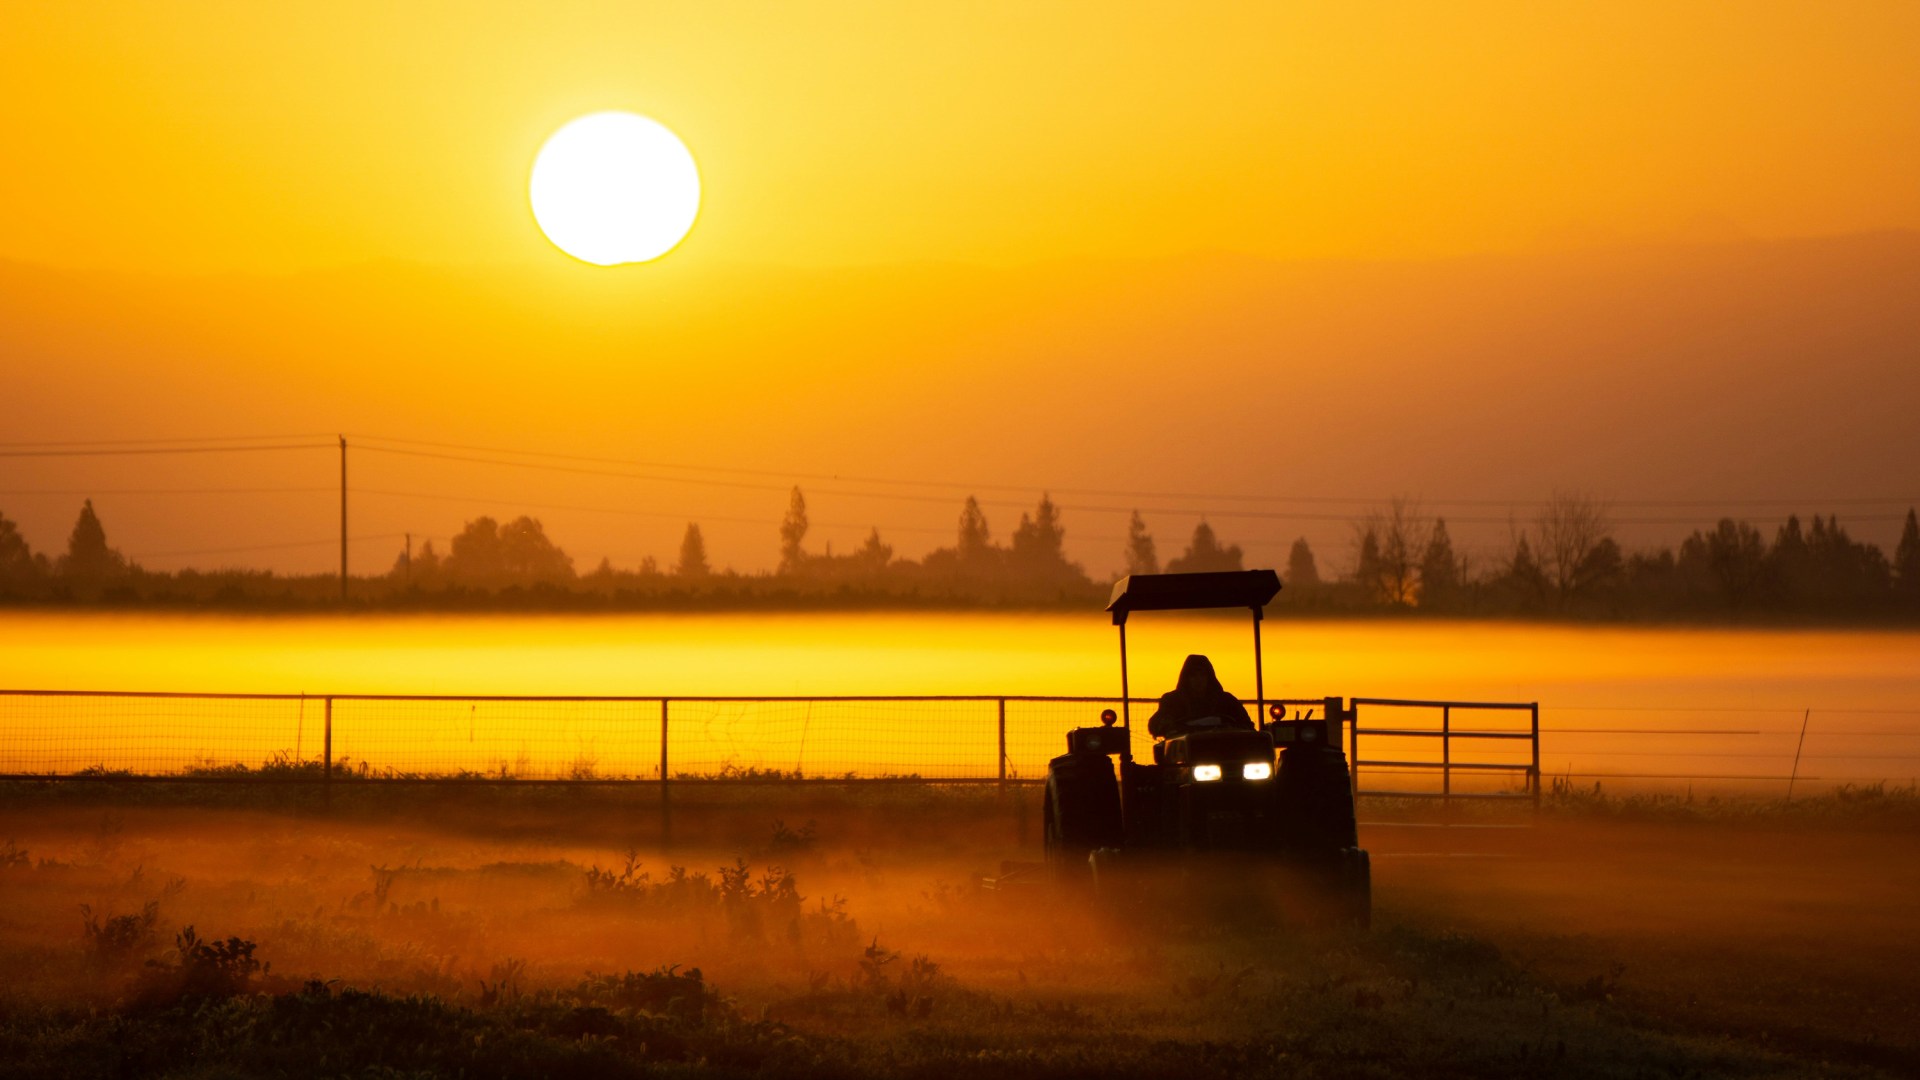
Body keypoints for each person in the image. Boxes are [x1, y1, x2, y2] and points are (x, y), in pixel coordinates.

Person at [1146, 654, 1254, 739]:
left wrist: (1232, 728)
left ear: (1209, 677)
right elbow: (1155, 725)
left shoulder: (1226, 700)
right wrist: (1166, 725)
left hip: (1224, 752)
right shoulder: (1172, 701)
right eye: (1193, 676)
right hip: (1183, 757)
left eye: (1202, 675)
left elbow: (1247, 725)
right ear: (1186, 679)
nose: (1198, 680)